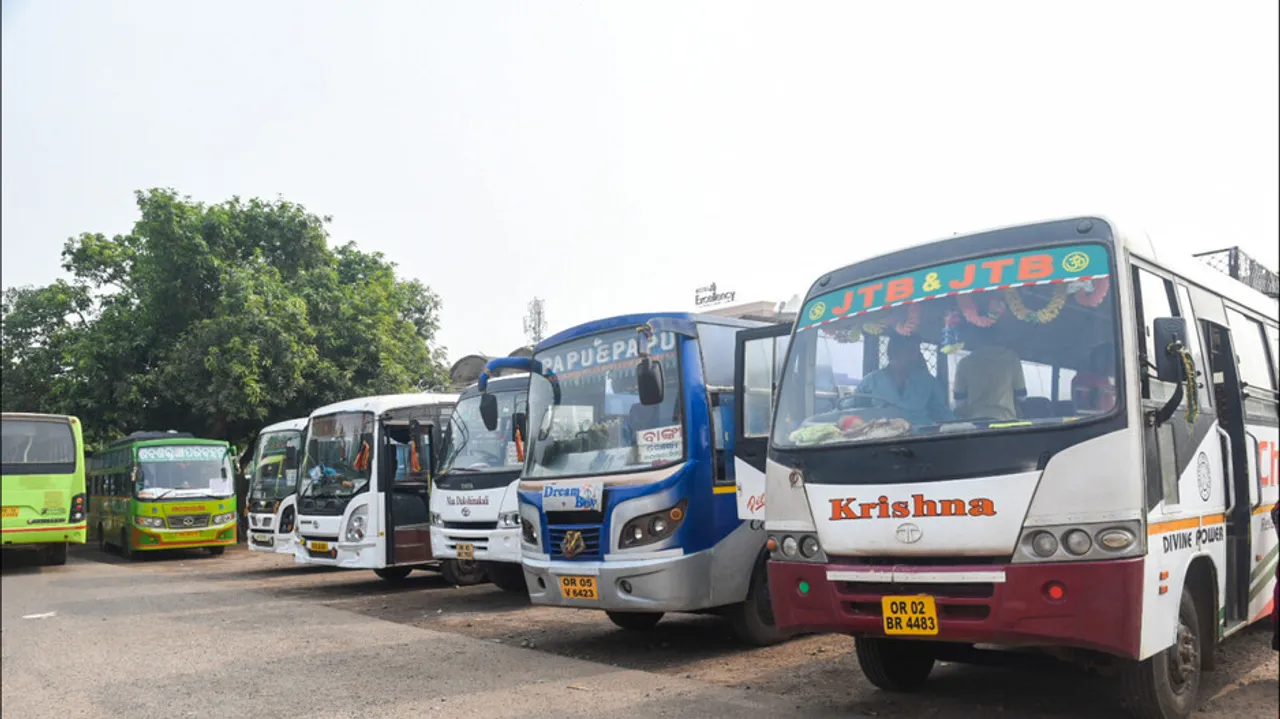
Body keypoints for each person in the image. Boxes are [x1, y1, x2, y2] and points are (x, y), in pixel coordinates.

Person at [853, 334, 953, 427]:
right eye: (910, 352)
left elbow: (944, 415)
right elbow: (849, 412)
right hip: (881, 439)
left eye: (917, 353)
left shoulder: (929, 382)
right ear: (893, 353)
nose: (915, 358)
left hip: (921, 439)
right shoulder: (870, 382)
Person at [953, 325, 1027, 421]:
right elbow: (1022, 396)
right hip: (1005, 422)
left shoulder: (965, 363)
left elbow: (959, 402)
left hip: (975, 423)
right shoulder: (1011, 359)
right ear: (1000, 338)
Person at [1071, 342, 1117, 413]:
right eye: (1110, 359)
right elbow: (1084, 409)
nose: (1113, 363)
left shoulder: (1105, 380)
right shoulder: (1081, 379)